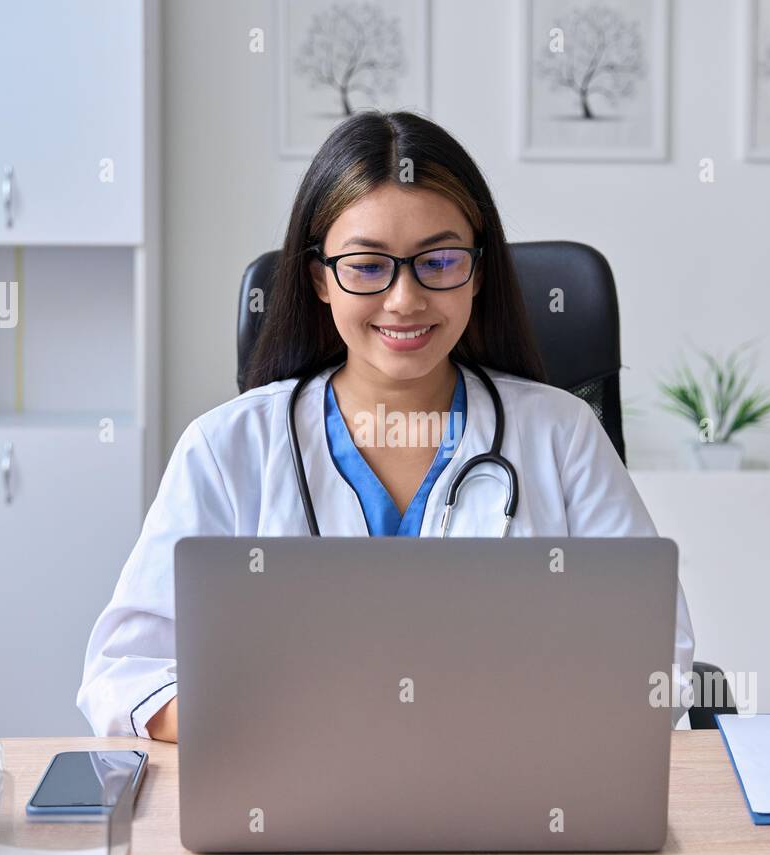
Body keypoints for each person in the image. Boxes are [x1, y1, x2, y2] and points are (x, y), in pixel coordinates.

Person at [78, 110, 695, 741]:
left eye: (441, 260)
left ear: (476, 272)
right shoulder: (226, 448)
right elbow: (124, 672)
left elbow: (655, 657)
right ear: (320, 278)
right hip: (295, 795)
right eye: (368, 266)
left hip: (511, 793)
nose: (405, 299)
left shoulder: (563, 436)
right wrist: (286, 722)